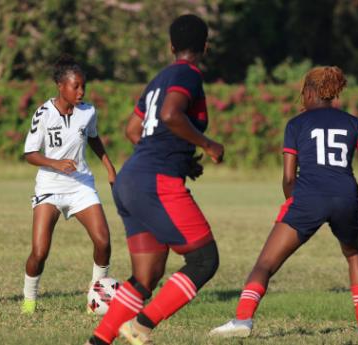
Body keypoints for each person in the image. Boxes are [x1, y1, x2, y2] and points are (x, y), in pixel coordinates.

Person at [209, 66, 358, 339]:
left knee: (265, 263)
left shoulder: (297, 124)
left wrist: (296, 205)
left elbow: (288, 177)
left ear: (311, 92)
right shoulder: (353, 122)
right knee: (355, 254)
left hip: (307, 199)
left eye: (303, 92)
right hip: (346, 197)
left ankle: (243, 319)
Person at [85, 14, 224, 345]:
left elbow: (134, 130)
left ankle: (98, 341)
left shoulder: (160, 78)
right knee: (204, 260)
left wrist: (180, 157)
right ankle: (141, 325)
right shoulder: (188, 74)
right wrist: (207, 144)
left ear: (171, 46)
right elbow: (170, 115)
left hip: (131, 179)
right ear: (205, 47)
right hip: (154, 182)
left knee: (146, 275)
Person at [21, 55, 116, 314]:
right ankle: (29, 300)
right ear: (60, 86)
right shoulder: (43, 113)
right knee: (39, 252)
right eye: (76, 86)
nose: (81, 91)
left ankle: (96, 299)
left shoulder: (88, 112)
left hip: (80, 186)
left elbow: (94, 138)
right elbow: (30, 153)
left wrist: (109, 167)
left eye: (83, 86)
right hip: (50, 188)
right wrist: (55, 162)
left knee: (104, 242)